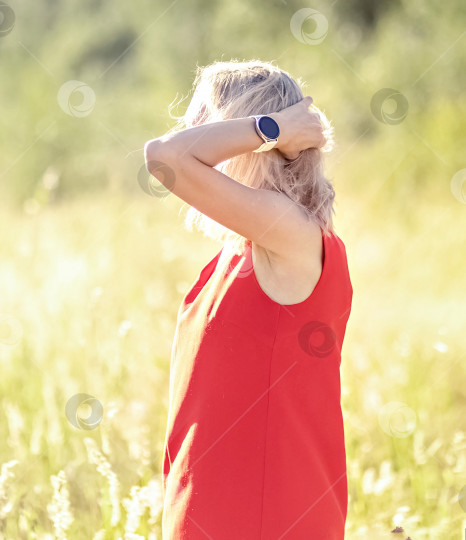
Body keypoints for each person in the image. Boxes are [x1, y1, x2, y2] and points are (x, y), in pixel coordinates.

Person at [143, 59, 353, 539]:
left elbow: (164, 158)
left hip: (269, 520)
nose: (196, 135)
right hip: (211, 514)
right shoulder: (243, 249)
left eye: (209, 125)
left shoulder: (293, 237)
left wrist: (270, 126)